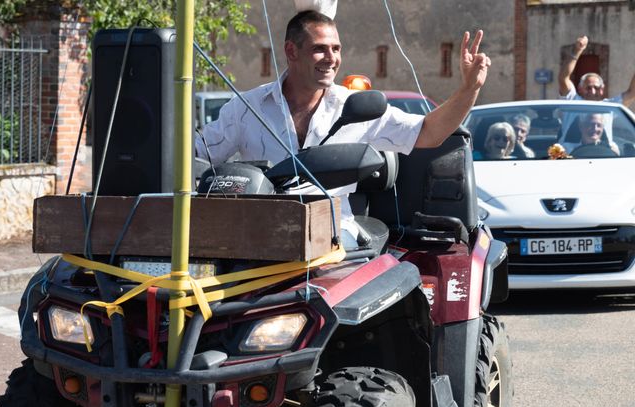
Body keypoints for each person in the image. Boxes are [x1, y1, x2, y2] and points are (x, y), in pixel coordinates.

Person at [196, 10, 491, 243]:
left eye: (336, 49)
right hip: (259, 242)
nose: (332, 59)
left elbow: (429, 133)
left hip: (338, 243)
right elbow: (196, 157)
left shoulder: (356, 107)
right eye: (320, 49)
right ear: (291, 50)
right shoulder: (246, 107)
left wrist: (469, 89)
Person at [558, 35, 635, 106]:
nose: (593, 92)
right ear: (580, 89)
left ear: (602, 90)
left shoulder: (610, 107)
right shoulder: (572, 101)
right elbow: (563, 78)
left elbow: (632, 93)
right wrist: (578, 50)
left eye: (597, 88)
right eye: (588, 88)